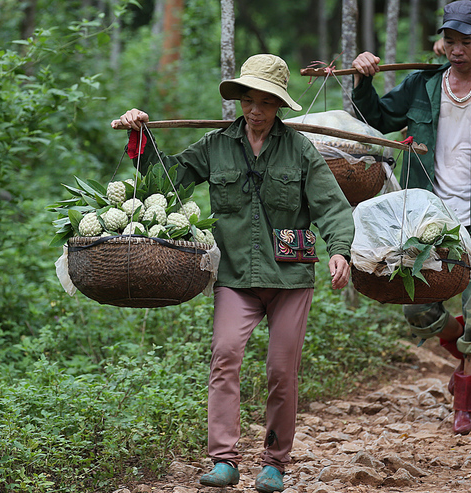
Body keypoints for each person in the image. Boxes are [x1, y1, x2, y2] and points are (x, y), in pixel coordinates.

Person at [111, 54, 355, 492]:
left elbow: (333, 209)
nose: (255, 110)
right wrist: (140, 137)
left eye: (265, 101)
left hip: (289, 278)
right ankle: (224, 459)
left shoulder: (301, 150)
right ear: (239, 99)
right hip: (236, 278)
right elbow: (166, 180)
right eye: (248, 99)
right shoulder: (215, 145)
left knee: (282, 371)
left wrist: (340, 252)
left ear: (279, 104)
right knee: (225, 358)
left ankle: (275, 463)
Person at [351, 0, 471, 435]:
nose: (457, 50)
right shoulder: (421, 85)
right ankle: (461, 345)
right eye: (450, 41)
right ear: (442, 41)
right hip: (430, 226)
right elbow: (376, 118)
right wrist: (363, 80)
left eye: (466, 41)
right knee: (418, 311)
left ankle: (466, 406)